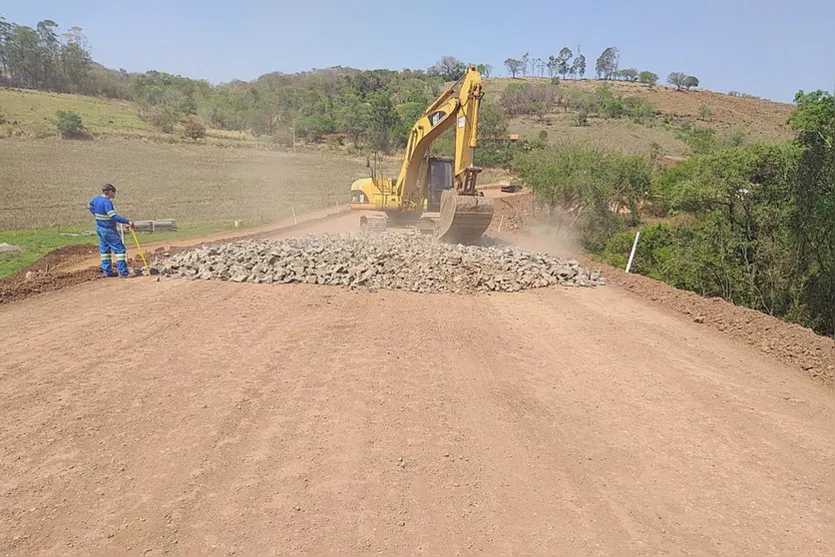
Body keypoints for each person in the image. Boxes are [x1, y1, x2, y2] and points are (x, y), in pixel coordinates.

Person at [87, 184, 134, 277]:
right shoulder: (107, 202)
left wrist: (96, 215)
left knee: (105, 251)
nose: (115, 194)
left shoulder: (96, 199)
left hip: (99, 228)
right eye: (114, 192)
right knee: (120, 249)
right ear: (110, 192)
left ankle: (107, 271)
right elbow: (113, 216)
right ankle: (124, 272)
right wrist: (127, 221)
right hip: (108, 229)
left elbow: (89, 205)